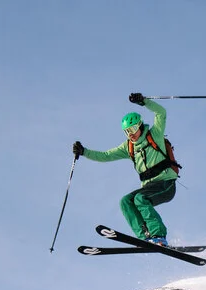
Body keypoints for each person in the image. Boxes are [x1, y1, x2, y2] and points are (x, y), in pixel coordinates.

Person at [73, 93, 178, 246]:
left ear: (140, 125)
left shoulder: (155, 134)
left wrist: (144, 102)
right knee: (125, 202)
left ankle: (159, 235)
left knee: (140, 199)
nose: (131, 134)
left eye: (133, 129)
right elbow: (106, 155)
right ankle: (146, 237)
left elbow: (161, 113)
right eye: (127, 132)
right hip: (149, 187)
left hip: (166, 183)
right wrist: (84, 152)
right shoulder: (128, 147)